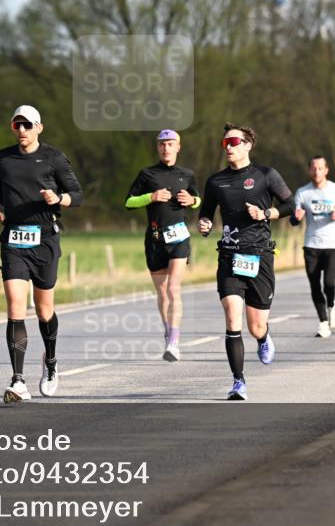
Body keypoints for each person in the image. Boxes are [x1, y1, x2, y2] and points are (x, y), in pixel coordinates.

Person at [0, 105, 83, 403]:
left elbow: (77, 194)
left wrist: (59, 198)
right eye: (17, 125)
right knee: (16, 308)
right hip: (14, 240)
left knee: (44, 310)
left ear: (39, 127)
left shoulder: (53, 158)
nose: (22, 131)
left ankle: (51, 363)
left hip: (45, 240)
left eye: (27, 125)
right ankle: (18, 381)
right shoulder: (2, 158)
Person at [198, 124, 294, 400]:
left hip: (260, 255)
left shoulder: (266, 175)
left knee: (256, 326)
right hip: (229, 255)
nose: (228, 146)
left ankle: (263, 338)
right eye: (224, 142)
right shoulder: (215, 181)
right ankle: (238, 381)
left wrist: (266, 213)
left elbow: (291, 204)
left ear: (248, 144)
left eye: (234, 141)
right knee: (232, 317)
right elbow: (205, 214)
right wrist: (204, 224)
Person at [124, 129, 201, 362]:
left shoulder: (187, 175)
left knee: (172, 288)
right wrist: (151, 197)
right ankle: (168, 329)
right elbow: (128, 201)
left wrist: (193, 201)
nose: (166, 148)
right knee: (162, 292)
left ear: (179, 146)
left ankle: (174, 342)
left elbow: (198, 200)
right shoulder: (147, 174)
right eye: (162, 144)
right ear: (158, 148)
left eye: (170, 144)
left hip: (179, 237)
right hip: (156, 239)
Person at [291, 156, 335, 337]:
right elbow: (294, 220)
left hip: (332, 244)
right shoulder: (303, 193)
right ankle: (323, 322)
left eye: (320, 168)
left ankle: (332, 306)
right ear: (310, 170)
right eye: (313, 168)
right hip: (311, 245)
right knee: (315, 286)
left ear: (326, 170)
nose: (317, 172)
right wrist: (297, 217)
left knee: (329, 283)